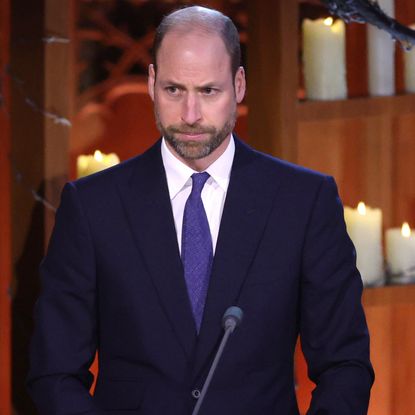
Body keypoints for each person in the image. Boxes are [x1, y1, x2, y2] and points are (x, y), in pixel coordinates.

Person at [28, 5, 374, 415]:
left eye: (208, 91)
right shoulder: (92, 207)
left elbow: (345, 365)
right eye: (174, 90)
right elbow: (55, 373)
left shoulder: (303, 201)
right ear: (153, 82)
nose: (190, 116)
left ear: (239, 85)